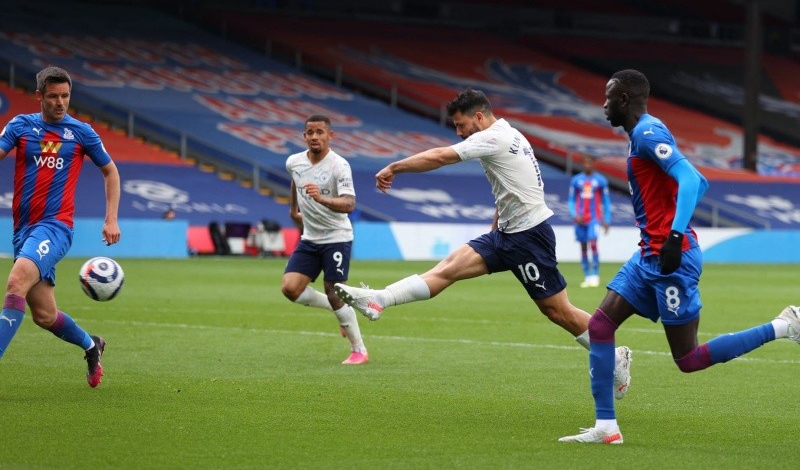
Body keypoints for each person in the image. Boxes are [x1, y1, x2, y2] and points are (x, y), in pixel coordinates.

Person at [559, 69, 800, 445]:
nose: (603, 104)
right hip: (648, 256)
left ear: (623, 99)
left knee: (688, 359)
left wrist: (673, 236)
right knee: (602, 327)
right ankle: (606, 428)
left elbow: (693, 179)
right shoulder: (643, 134)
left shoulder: (646, 133)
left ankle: (784, 325)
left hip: (673, 258)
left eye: (608, 97)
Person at [334, 89, 632, 392]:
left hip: (529, 237)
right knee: (448, 268)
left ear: (479, 116)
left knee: (558, 311)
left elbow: (440, 156)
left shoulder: (494, 137)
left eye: (461, 125)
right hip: (506, 234)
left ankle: (615, 357)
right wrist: (496, 225)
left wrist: (394, 166)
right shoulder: (508, 134)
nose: (459, 132)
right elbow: (509, 186)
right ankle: (379, 300)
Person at [0, 66, 121, 388]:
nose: (60, 102)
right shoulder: (21, 126)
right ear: (39, 96)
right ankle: (91, 344)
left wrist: (110, 219)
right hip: (23, 230)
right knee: (44, 316)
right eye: (53, 96)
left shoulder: (81, 132)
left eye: (65, 96)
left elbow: (111, 172)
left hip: (55, 227)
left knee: (15, 283)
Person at [280, 114, 368, 365]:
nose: (315, 137)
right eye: (310, 132)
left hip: (337, 237)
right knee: (290, 289)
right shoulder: (294, 162)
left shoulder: (339, 165)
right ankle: (337, 308)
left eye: (320, 132)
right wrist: (293, 209)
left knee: (334, 290)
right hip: (310, 237)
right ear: (304, 136)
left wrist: (322, 199)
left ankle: (359, 350)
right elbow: (296, 181)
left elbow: (349, 203)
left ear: (331, 135)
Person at [567, 154, 611, 288]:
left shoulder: (601, 180)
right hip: (580, 219)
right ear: (582, 164)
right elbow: (571, 199)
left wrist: (606, 220)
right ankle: (587, 276)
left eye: (589, 162)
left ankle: (595, 275)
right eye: (584, 162)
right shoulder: (576, 180)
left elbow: (606, 201)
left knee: (593, 242)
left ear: (593, 163)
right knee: (583, 246)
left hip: (594, 219)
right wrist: (574, 214)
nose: (587, 165)